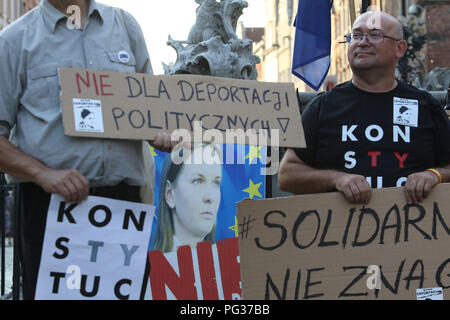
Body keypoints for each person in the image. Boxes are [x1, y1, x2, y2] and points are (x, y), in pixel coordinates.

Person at [0, 0, 175, 299]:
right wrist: (43, 174)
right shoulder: (15, 40)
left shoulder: (125, 26)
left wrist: (164, 132)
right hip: (51, 208)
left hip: (123, 207)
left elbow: (151, 113)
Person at [279, 11, 450, 205]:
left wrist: (434, 175)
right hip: (341, 232)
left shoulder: (425, 107)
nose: (362, 42)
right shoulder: (323, 107)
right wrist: (337, 179)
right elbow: (287, 175)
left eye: (375, 35)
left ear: (400, 49)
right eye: (356, 35)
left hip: (414, 229)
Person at [151, 143, 223, 253]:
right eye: (198, 181)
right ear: (169, 194)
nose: (210, 197)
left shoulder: (231, 266)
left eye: (216, 183)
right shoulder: (145, 267)